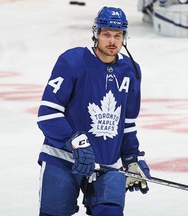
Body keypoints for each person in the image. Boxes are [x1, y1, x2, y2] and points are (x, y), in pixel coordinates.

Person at [37, 6, 151, 216]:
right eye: (107, 34)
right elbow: (47, 113)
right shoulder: (73, 61)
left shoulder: (131, 71)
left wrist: (132, 158)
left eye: (118, 35)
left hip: (108, 165)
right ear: (96, 34)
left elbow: (127, 123)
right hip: (63, 159)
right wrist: (75, 141)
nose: (112, 41)